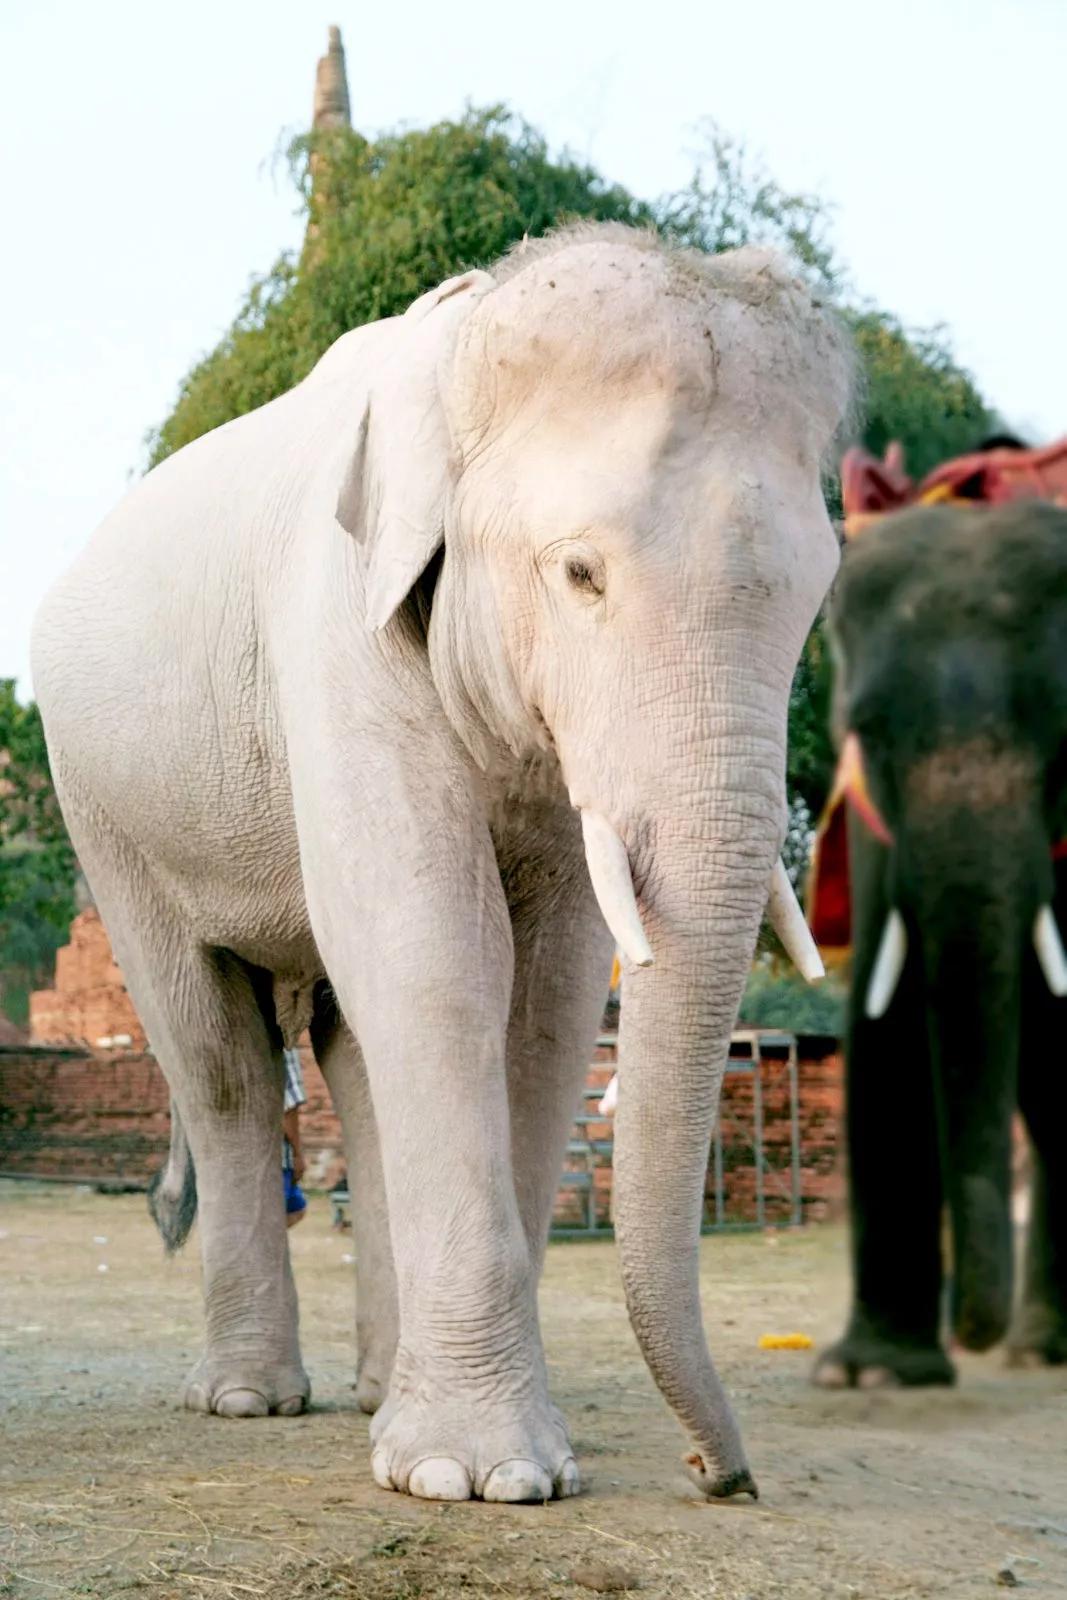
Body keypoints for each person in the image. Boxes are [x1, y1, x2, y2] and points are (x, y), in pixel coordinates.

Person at [282, 1046, 308, 1228]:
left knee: (296, 1208)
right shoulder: (283, 1042)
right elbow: (288, 1102)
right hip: (275, 1156)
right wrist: (297, 1153)